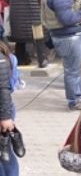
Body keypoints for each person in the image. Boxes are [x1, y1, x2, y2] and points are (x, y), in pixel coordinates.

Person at [5, 0, 49, 68]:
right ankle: (42, 61)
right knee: (38, 39)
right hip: (34, 15)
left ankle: (20, 60)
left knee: (19, 40)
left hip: (17, 16)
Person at [0, 41, 19, 176]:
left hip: (2, 110)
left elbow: (3, 88)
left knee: (5, 153)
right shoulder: (8, 56)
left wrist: (5, 117)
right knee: (5, 151)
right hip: (5, 109)